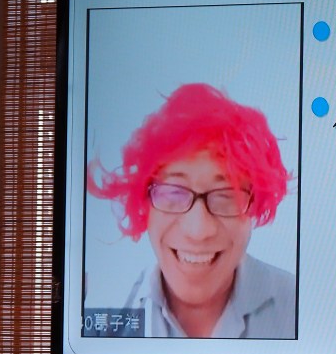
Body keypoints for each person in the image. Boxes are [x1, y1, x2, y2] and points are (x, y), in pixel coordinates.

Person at [88, 83, 296, 339]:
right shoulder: (102, 318)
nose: (198, 231)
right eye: (173, 193)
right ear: (144, 201)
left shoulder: (297, 306)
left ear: (255, 205)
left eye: (226, 195)